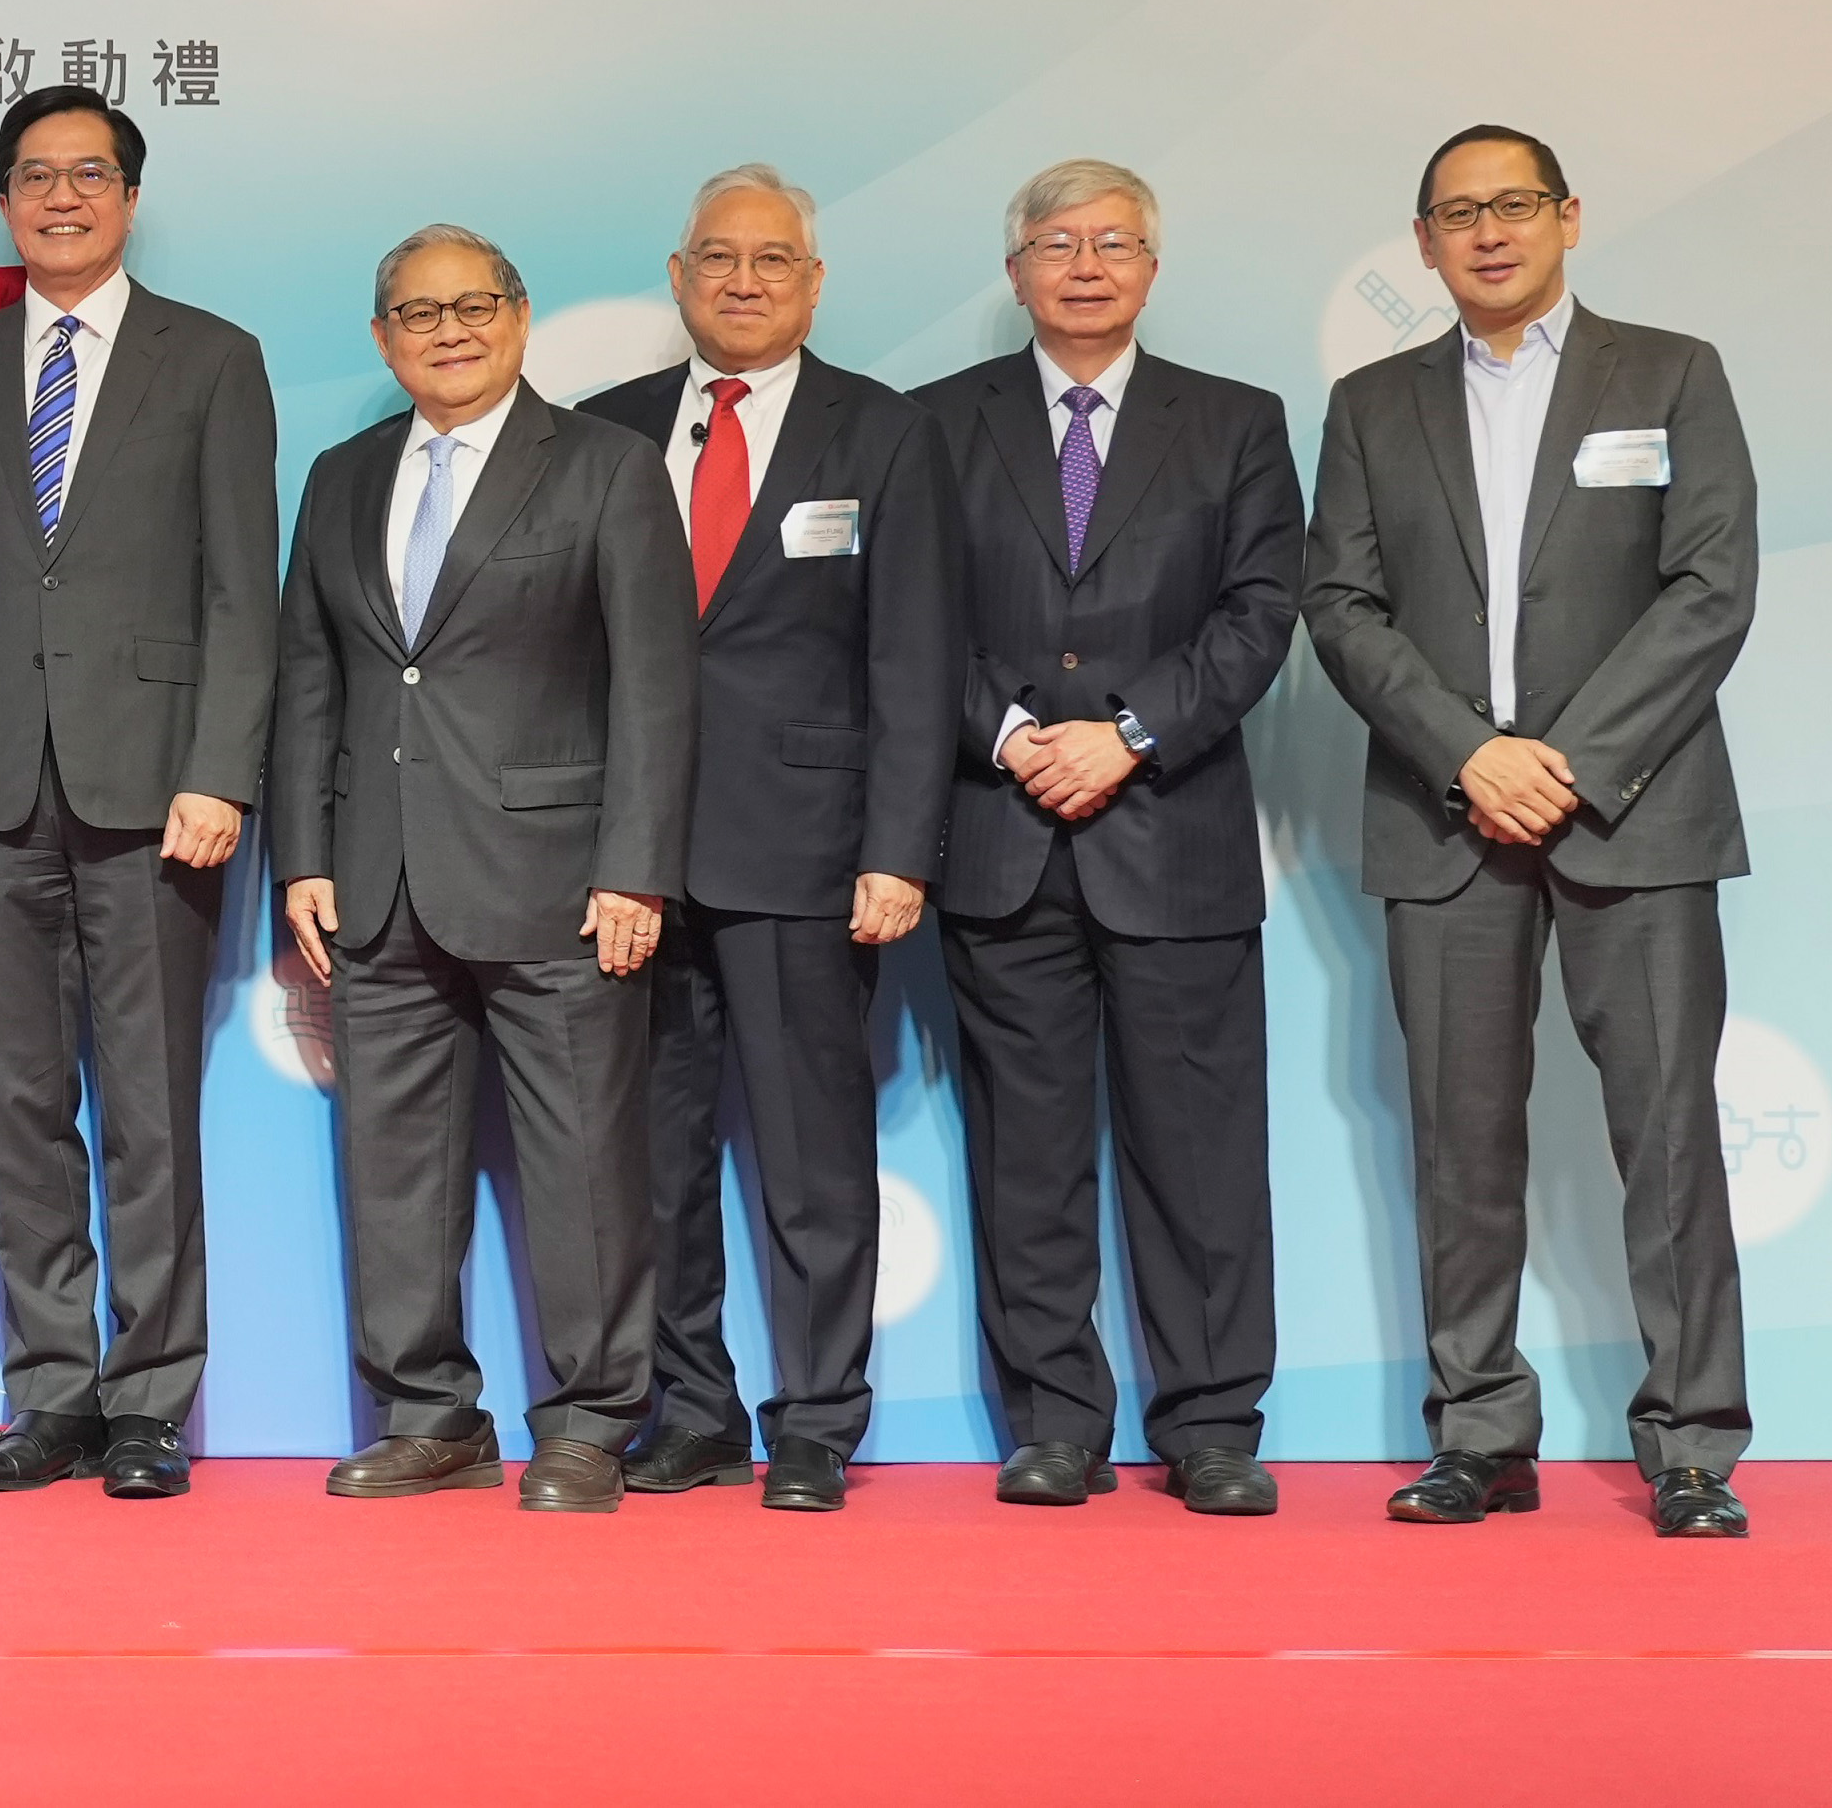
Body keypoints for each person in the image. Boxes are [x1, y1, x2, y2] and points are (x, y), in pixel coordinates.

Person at [1303, 126, 1759, 1539]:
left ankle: (1690, 1443)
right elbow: (1340, 604)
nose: (1486, 231)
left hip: (1637, 810)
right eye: (1455, 212)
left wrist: (1565, 761)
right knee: (1459, 1140)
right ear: (1424, 240)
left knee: (1667, 1137)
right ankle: (1478, 1430)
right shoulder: (1371, 401)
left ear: (1568, 216)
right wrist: (1469, 753)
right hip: (1445, 815)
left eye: (1511, 205)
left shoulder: (1669, 370)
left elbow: (1709, 585)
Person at [0, 86, 277, 1501]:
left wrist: (221, 766)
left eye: (87, 175)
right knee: (19, 1102)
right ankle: (49, 1391)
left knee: (151, 1107)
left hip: (154, 787)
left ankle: (148, 1404)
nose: (61, 197)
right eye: (35, 176)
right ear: (3, 198)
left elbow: (243, 587)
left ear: (126, 196)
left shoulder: (213, 360)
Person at [274, 225, 697, 1512]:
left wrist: (636, 868)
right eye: (418, 313)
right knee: (391, 1166)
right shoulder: (343, 475)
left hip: (561, 879)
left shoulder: (609, 468)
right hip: (378, 879)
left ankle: (589, 1420)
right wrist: (304, 852)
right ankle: (428, 1414)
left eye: (474, 305)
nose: (449, 330)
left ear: (518, 314)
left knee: (583, 1166)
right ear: (381, 336)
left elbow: (656, 688)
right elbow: (310, 675)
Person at [908, 159, 1298, 1517]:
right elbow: (909, 626)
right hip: (998, 833)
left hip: (1172, 831)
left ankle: (1208, 1421)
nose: (1085, 262)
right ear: (1012, 266)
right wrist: (1015, 734)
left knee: (1199, 1151)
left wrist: (1124, 733)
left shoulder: (1236, 422)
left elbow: (1256, 613)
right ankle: (1054, 1418)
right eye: (1056, 241)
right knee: (1027, 1150)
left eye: (1113, 239)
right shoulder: (932, 424)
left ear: (1150, 262)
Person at [575, 166, 957, 1514]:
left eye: (774, 259)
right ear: (676, 277)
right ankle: (692, 1406)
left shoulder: (884, 433)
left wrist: (897, 849)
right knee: (654, 1162)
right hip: (629, 860)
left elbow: (915, 656)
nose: (745, 280)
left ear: (811, 281)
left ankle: (816, 1414)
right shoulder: (603, 430)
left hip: (806, 853)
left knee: (807, 1159)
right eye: (719, 258)